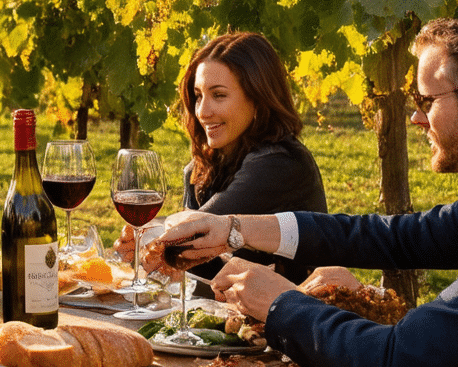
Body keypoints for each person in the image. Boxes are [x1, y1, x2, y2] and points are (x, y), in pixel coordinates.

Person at [153, 5, 458, 367]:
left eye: (426, 100)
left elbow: (392, 363)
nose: (415, 117)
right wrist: (235, 228)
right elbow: (392, 237)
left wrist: (279, 303)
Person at [117, 32, 327, 284]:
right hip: (227, 312)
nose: (203, 111)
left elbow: (193, 233)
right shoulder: (201, 167)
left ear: (258, 98)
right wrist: (146, 248)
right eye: (198, 96)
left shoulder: (281, 163)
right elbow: (196, 264)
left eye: (219, 95)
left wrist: (148, 238)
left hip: (291, 316)